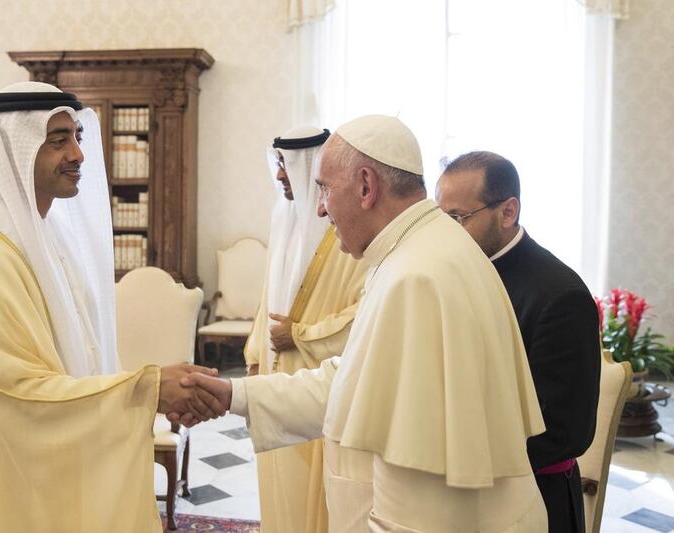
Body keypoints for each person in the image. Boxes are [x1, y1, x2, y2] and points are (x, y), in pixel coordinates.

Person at [172, 115, 549, 532]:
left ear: (367, 187)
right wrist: (233, 394)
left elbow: (417, 499)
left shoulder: (417, 277)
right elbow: (353, 380)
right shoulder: (415, 253)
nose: (319, 207)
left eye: (325, 189)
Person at [0, 81, 221, 532]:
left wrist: (149, 386)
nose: (78, 155)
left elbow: (78, 362)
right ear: (13, 151)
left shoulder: (45, 240)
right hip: (16, 491)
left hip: (56, 475)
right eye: (57, 140)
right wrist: (144, 390)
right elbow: (19, 397)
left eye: (77, 138)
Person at [435, 151, 600, 533]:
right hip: (461, 491)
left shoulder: (560, 295)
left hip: (534, 500)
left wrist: (456, 457)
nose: (445, 233)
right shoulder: (455, 272)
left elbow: (564, 432)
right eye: (439, 219)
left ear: (507, 212)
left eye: (458, 218)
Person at [246, 126, 367, 533]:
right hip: (275, 377)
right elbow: (268, 300)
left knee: (315, 498)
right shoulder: (284, 223)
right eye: (278, 164)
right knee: (278, 490)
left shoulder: (347, 233)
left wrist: (300, 334)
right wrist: (254, 354)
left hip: (320, 385)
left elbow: (364, 316)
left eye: (289, 166)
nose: (280, 175)